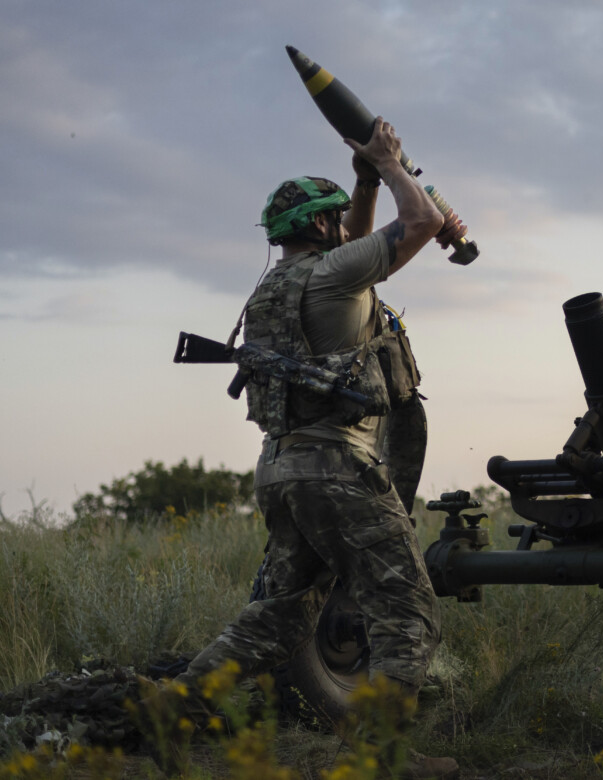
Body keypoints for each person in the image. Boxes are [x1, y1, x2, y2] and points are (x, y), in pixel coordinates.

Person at [174, 118, 464, 778]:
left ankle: (173, 710)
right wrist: (391, 165)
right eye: (339, 220)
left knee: (276, 618)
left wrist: (361, 182)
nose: (346, 230)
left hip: (282, 469)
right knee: (406, 609)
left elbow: (357, 245)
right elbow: (416, 224)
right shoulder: (335, 279)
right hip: (340, 469)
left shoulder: (276, 287)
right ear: (323, 228)